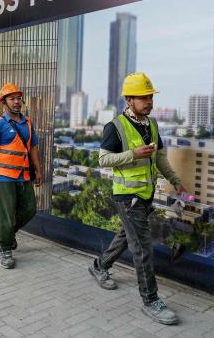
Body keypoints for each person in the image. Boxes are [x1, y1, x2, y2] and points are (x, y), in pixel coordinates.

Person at [87, 72, 186, 325]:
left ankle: (99, 266)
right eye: (143, 97)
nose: (149, 101)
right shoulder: (116, 126)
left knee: (125, 235)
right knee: (142, 247)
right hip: (127, 196)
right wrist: (132, 154)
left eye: (150, 96)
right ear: (130, 99)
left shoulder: (151, 125)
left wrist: (174, 179)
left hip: (145, 195)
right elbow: (103, 159)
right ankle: (151, 300)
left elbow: (160, 157)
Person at [0, 83, 42, 269]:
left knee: (30, 209)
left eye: (19, 98)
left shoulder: (28, 123)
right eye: (12, 98)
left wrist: (38, 170)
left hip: (23, 176)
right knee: (7, 215)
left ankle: (7, 235)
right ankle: (4, 249)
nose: (17, 102)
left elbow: (33, 149)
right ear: (4, 102)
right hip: (4, 176)